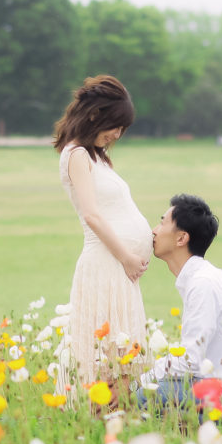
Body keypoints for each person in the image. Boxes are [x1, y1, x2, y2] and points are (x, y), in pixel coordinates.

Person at [53, 75, 152, 404]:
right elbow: (92, 215)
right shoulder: (77, 155)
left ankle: (115, 422)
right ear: (95, 115)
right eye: (115, 126)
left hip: (118, 268)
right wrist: (125, 256)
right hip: (107, 265)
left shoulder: (96, 156)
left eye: (123, 129)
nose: (117, 135)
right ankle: (105, 421)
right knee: (109, 357)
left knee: (121, 358)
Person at [135, 194, 222, 416]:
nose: (153, 230)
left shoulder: (203, 283)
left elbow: (190, 361)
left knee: (144, 395)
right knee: (152, 391)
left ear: (181, 238)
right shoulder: (202, 278)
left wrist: (139, 379)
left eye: (162, 222)